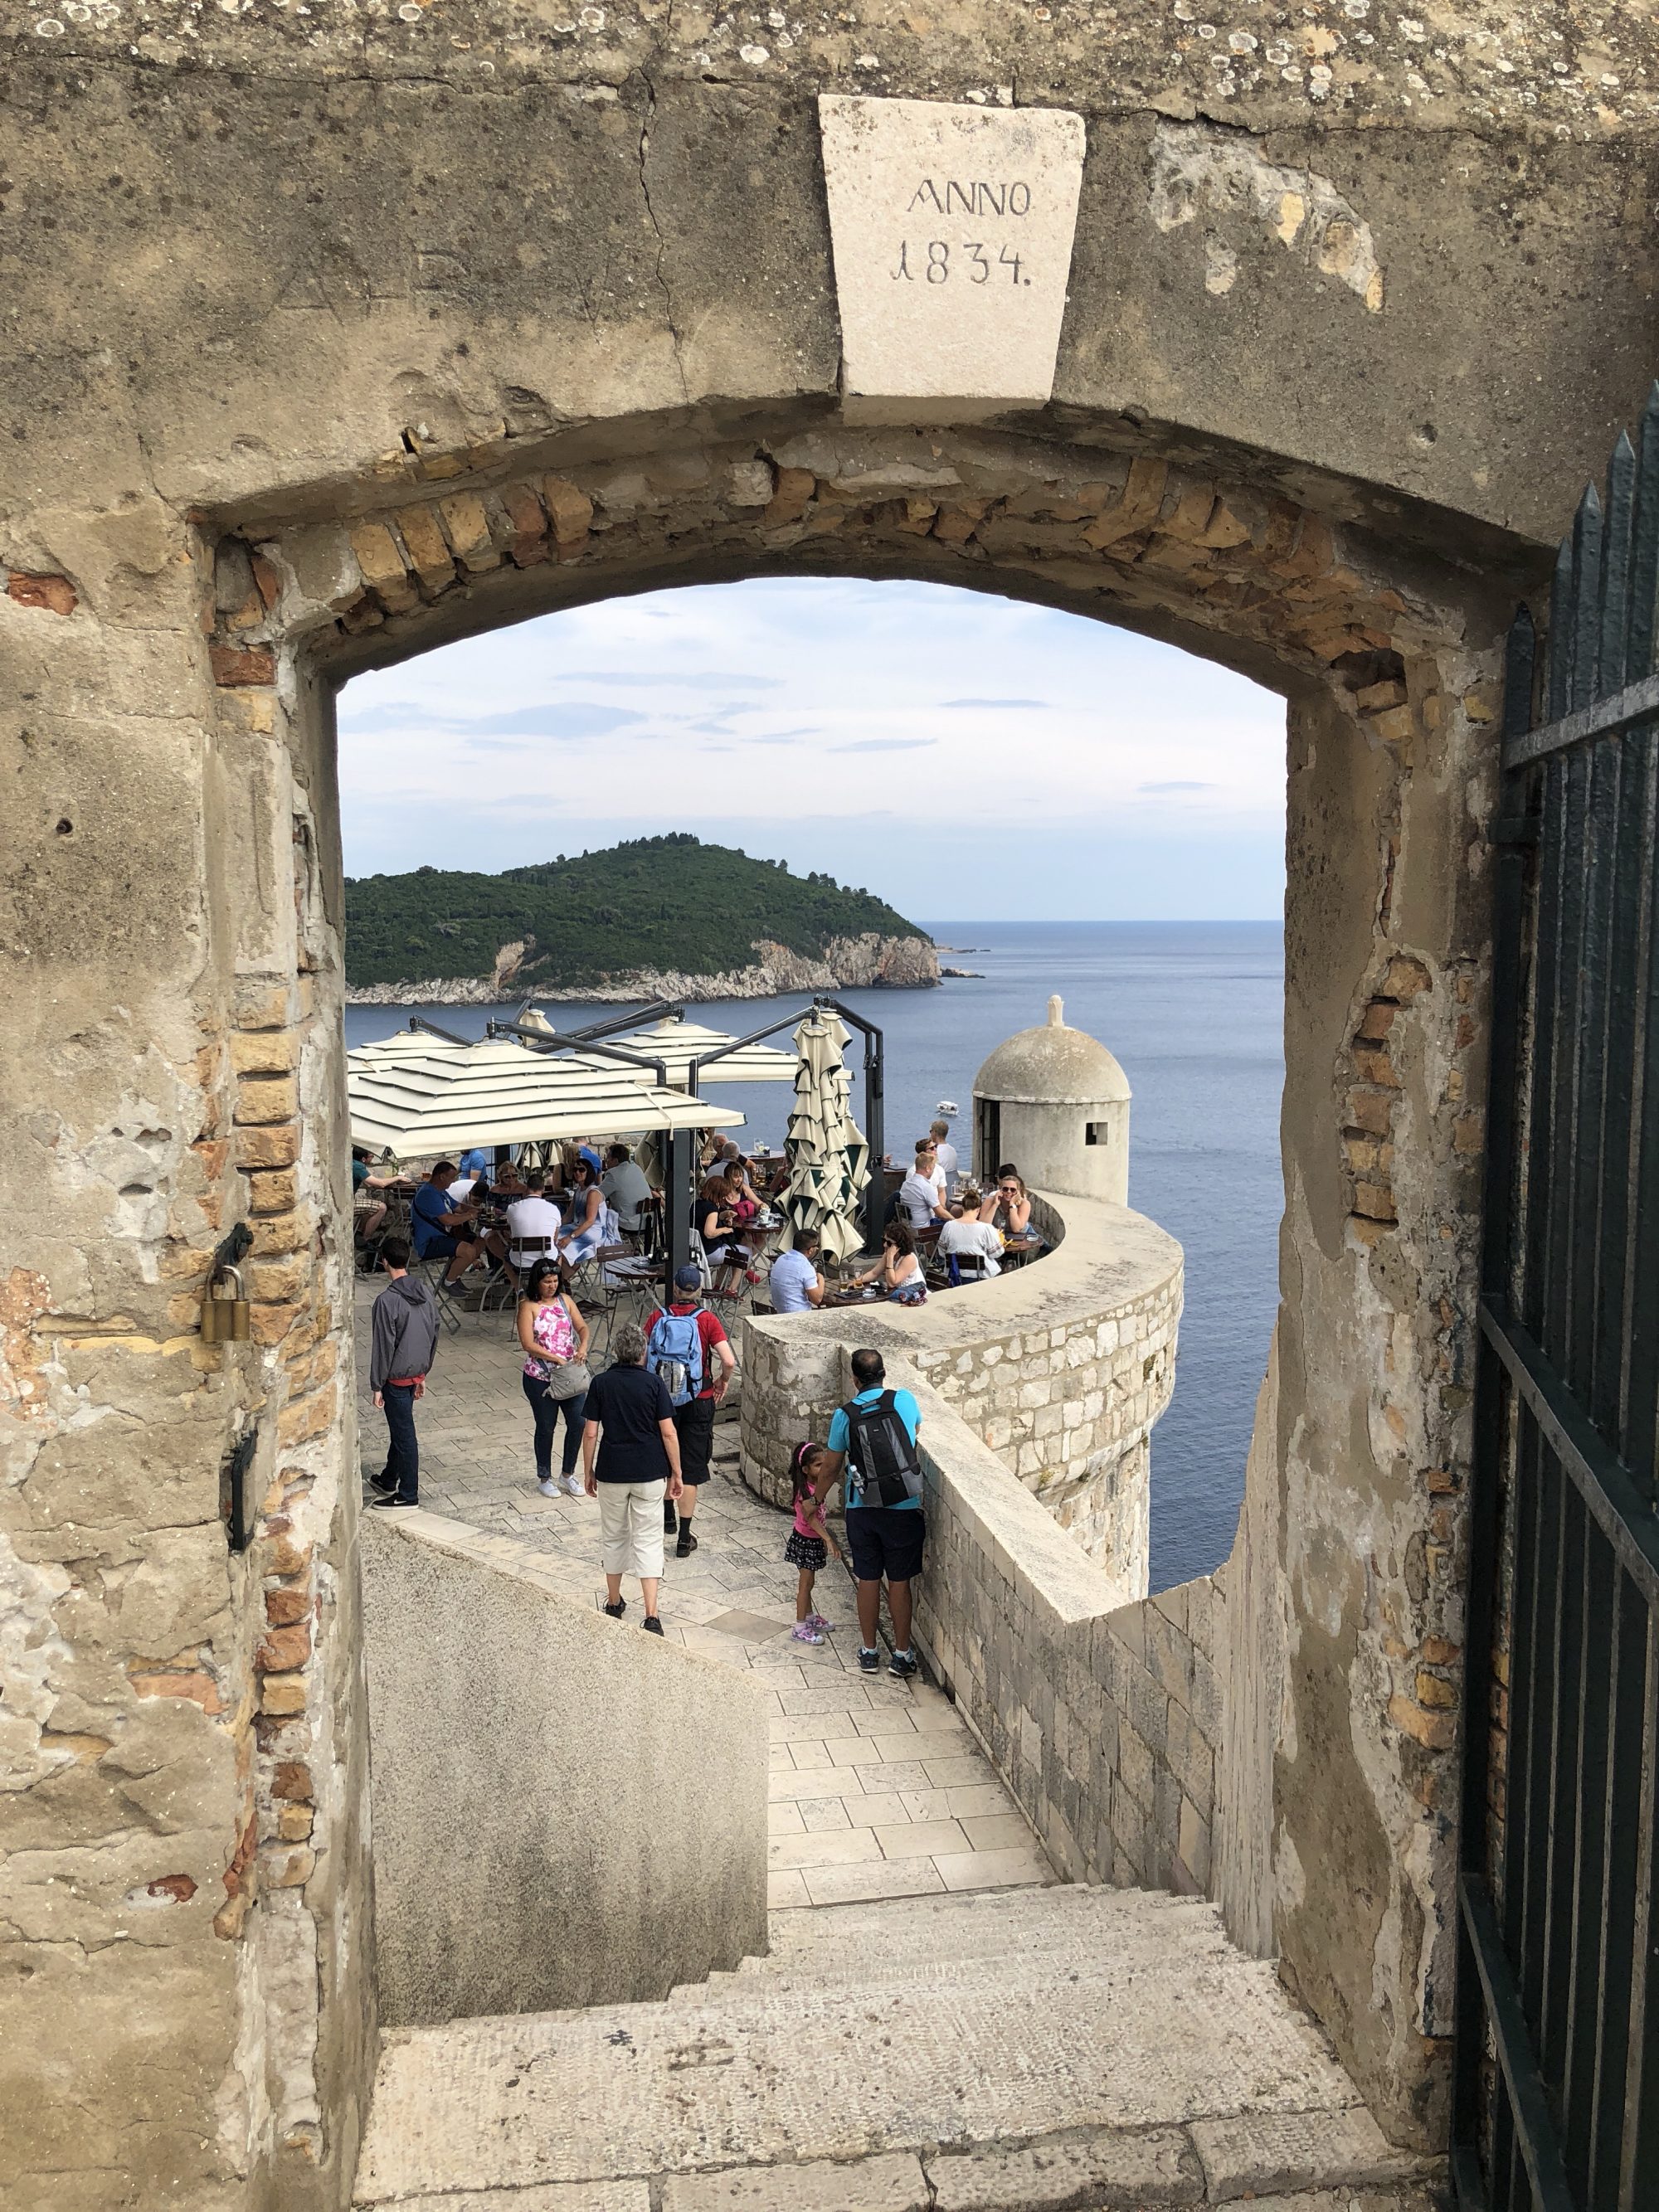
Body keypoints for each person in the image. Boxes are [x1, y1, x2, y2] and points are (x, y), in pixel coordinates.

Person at [820, 1349, 924, 1678]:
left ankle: (869, 1652)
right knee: (899, 1582)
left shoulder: (845, 1415)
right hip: (903, 1507)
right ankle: (902, 1655)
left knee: (867, 1579)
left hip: (862, 1508)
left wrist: (817, 1499)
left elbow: (832, 1465)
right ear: (883, 1373)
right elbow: (916, 1431)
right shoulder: (903, 1400)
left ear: (853, 1379)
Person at [581, 1321, 684, 1635]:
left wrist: (588, 1471)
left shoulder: (601, 1383)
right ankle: (652, 1614)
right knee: (648, 1539)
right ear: (643, 1352)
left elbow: (590, 1432)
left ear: (616, 1351)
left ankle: (614, 1602)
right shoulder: (654, 1384)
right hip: (649, 1471)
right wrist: (677, 1472)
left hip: (613, 1469)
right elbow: (668, 1432)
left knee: (614, 1535)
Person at [646, 1265, 736, 1553]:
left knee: (665, 1459)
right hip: (699, 1399)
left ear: (674, 1288)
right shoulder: (707, 1320)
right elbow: (729, 1360)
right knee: (692, 1468)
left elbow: (643, 1355)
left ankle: (668, 1518)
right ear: (698, 1290)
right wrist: (721, 1382)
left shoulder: (658, 1316)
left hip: (663, 1402)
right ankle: (684, 1538)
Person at [367, 1237, 439, 1509]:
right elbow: (434, 1331)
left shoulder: (386, 1301)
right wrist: (423, 1373)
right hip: (415, 1372)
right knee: (401, 1428)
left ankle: (408, 1494)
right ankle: (388, 1478)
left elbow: (383, 1345)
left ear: (384, 1261)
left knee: (405, 1435)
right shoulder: (426, 1293)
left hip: (395, 1378)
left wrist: (376, 1385)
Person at [518, 1255, 591, 1497]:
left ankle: (568, 1474)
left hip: (569, 1375)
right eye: (547, 1281)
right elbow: (528, 1343)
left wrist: (582, 1347)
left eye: (554, 1281)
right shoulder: (528, 1307)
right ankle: (544, 1476)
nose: (551, 1285)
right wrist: (553, 1357)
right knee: (546, 1426)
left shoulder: (565, 1301)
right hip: (541, 1376)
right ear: (537, 1283)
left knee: (578, 1422)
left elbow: (582, 1327)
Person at [410, 1159, 506, 1286]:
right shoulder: (428, 1194)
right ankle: (450, 1282)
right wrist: (470, 1215)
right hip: (429, 1242)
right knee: (468, 1250)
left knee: (481, 1241)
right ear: (442, 1177)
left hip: (443, 1236)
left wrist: (480, 1210)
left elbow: (458, 1207)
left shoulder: (440, 1191)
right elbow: (448, 1220)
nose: (454, 1181)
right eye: (452, 1177)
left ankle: (455, 1272)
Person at [785, 1441, 839, 1645]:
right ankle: (799, 1627)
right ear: (806, 1470)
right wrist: (827, 1538)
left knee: (810, 1582)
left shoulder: (816, 1488)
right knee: (805, 1585)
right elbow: (811, 1519)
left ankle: (809, 1617)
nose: (823, 1468)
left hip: (812, 1541)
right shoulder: (805, 1493)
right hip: (806, 1541)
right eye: (818, 1465)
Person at [693, 1174, 754, 1289]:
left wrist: (723, 1215)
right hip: (711, 1252)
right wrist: (724, 1229)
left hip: (697, 1251)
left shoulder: (697, 1204)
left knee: (729, 1257)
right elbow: (709, 1233)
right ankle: (732, 1289)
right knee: (747, 1252)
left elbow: (704, 1220)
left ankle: (718, 1286)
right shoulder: (712, 1209)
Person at [504, 1166, 562, 1281]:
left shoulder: (512, 1208)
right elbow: (554, 1238)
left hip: (520, 1262)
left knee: (505, 1257)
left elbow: (510, 1229)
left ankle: (518, 1289)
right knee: (559, 1252)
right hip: (546, 1260)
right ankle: (554, 1284)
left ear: (526, 1188)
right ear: (543, 1189)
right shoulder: (554, 1208)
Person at [852, 1220, 927, 1305]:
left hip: (914, 1298)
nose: (884, 1245)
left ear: (899, 1245)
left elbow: (892, 1283)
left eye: (889, 1243)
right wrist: (856, 1282)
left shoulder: (909, 1258)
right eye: (883, 1240)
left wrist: (890, 1258)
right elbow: (874, 1273)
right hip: (899, 1296)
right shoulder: (887, 1254)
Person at [937, 1188, 1002, 1281]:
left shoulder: (949, 1226)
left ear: (963, 1207)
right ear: (978, 1209)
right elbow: (996, 1253)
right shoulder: (986, 1228)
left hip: (954, 1274)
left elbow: (942, 1252)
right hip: (979, 1276)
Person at [557, 1156, 609, 1265]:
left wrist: (570, 1237)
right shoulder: (579, 1191)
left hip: (593, 1232)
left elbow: (590, 1221)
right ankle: (561, 1276)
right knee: (553, 1239)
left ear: (588, 1172)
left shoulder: (593, 1193)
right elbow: (568, 1216)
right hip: (578, 1227)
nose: (577, 1172)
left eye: (581, 1170)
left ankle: (563, 1276)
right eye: (575, 1169)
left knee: (565, 1247)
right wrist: (554, 1226)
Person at [601, 1142, 654, 1233]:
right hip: (648, 1222)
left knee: (601, 1217)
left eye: (608, 1158)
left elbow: (598, 1194)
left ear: (616, 1160)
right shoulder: (636, 1168)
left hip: (629, 1224)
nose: (606, 1160)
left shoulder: (613, 1174)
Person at [898, 1138, 949, 1232]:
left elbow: (941, 1191)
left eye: (936, 1147)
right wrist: (955, 1222)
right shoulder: (924, 1185)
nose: (936, 1150)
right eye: (932, 1148)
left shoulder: (907, 1184)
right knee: (951, 1225)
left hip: (912, 1225)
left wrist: (941, 1206)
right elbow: (939, 1212)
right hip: (924, 1226)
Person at [770, 1228, 825, 1314]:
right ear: (810, 1250)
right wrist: (821, 1279)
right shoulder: (805, 1267)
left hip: (780, 1314)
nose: (817, 1248)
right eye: (817, 1246)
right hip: (798, 1317)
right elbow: (817, 1300)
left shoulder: (781, 1259)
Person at [980, 1166, 1034, 1241]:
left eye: (1012, 1190)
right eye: (1005, 1189)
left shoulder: (1024, 1204)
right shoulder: (990, 1201)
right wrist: (995, 1205)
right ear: (1000, 1189)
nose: (1009, 1192)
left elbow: (1016, 1229)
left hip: (1019, 1241)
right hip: (996, 1240)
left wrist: (1012, 1205)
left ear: (1018, 1191)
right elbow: (983, 1226)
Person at [930, 1119, 960, 1200]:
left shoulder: (934, 1152)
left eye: (931, 1131)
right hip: (954, 1188)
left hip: (942, 1190)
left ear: (935, 1133)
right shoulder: (952, 1150)